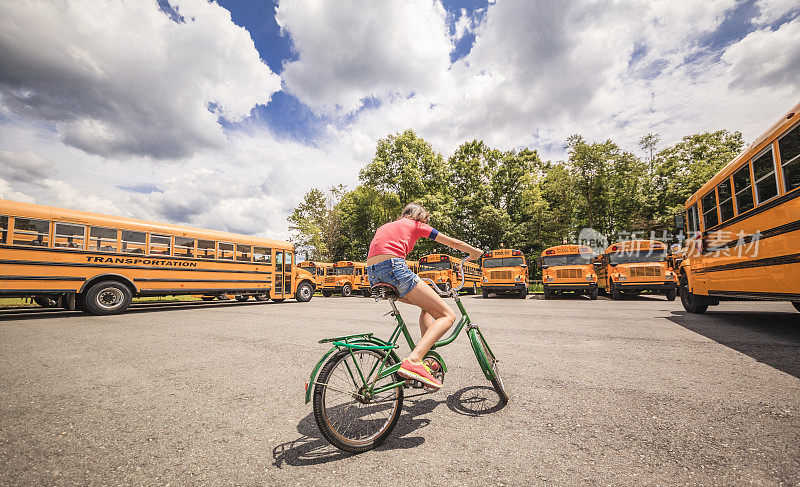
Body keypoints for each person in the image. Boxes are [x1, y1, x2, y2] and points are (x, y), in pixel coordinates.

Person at [366, 203, 482, 391]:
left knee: (427, 307)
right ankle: (414, 360)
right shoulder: (416, 225)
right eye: (426, 219)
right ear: (419, 216)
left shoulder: (385, 226)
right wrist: (474, 252)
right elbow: (451, 242)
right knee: (447, 315)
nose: (426, 222)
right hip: (394, 269)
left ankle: (425, 354)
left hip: (373, 274)